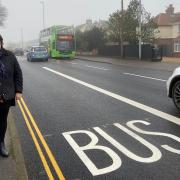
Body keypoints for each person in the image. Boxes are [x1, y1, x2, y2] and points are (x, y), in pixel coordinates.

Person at [0, 34, 23, 157]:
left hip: (5, 96)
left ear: (1, 42)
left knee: (2, 121)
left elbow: (18, 73)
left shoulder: (10, 56)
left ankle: (1, 143)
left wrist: (18, 91)